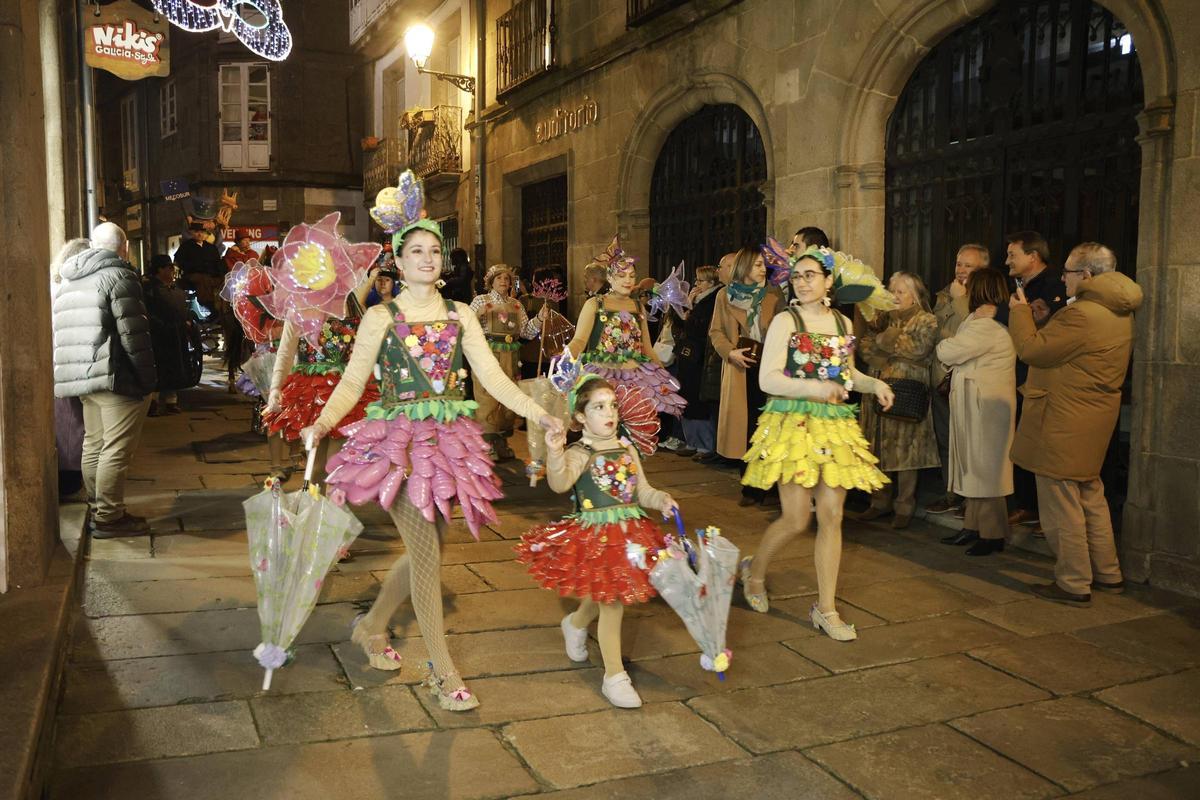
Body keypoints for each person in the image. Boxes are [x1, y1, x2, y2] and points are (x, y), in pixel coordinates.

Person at [301, 171, 563, 710]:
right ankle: (442, 671)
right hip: (397, 447)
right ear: (398, 262)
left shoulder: (461, 314)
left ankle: (371, 626)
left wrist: (542, 414)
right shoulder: (381, 317)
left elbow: (494, 379)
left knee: (431, 546)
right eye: (416, 251)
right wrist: (321, 424)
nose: (427, 258)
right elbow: (352, 383)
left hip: (446, 445)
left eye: (435, 250)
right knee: (426, 556)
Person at [739, 246, 894, 640]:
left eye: (810, 275)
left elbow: (846, 374)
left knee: (832, 515)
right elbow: (768, 379)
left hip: (832, 427)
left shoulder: (842, 322)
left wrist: (874, 385)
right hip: (792, 425)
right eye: (797, 275)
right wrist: (816, 388)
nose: (802, 282)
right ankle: (754, 572)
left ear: (829, 282)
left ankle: (826, 608)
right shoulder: (785, 321)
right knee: (796, 518)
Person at [517, 374, 678, 708]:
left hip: (629, 533)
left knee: (607, 592)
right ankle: (614, 676)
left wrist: (661, 499)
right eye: (599, 407)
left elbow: (641, 490)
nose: (610, 413)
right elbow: (560, 483)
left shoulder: (626, 448)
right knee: (613, 600)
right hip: (597, 537)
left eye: (613, 405)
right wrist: (554, 451)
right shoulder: (581, 451)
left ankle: (575, 623)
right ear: (580, 416)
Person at [1008, 243, 1141, 606]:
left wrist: (1020, 314)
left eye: (1067, 272)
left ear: (1087, 274)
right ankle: (1107, 572)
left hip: (1064, 418)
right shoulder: (1116, 311)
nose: (1062, 278)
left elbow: (1032, 351)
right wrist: (1044, 321)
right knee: (1090, 494)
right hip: (1091, 417)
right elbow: (1069, 352)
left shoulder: (1082, 314)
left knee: (1061, 502)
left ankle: (1073, 581)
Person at [52, 222, 157, 537]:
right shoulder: (120, 275)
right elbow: (134, 334)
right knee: (116, 448)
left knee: (94, 443)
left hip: (81, 377)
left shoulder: (71, 278)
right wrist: (147, 379)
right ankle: (110, 517)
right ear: (124, 248)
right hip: (114, 376)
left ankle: (99, 508)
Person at [263, 273, 377, 484]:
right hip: (312, 393)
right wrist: (275, 388)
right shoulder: (298, 308)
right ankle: (315, 502)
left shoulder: (353, 304)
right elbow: (285, 353)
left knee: (337, 462)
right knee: (316, 466)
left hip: (348, 390)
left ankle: (331, 503)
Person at [935, 268, 1015, 555]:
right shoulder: (979, 320)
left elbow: (947, 351)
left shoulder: (987, 326)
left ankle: (992, 534)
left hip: (984, 407)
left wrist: (944, 344)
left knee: (986, 470)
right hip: (978, 405)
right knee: (974, 466)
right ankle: (973, 526)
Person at [856, 271, 940, 528]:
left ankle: (904, 506)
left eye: (901, 292)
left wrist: (885, 342)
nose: (894, 296)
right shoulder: (882, 317)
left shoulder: (926, 320)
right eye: (892, 291)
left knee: (906, 449)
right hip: (877, 391)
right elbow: (865, 347)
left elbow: (918, 349)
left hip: (906, 392)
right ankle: (878, 502)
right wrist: (888, 343)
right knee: (876, 445)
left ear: (914, 296)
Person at [567, 237, 685, 416]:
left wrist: (662, 375)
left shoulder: (638, 307)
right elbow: (580, 340)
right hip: (602, 376)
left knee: (636, 424)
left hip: (636, 379)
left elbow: (647, 348)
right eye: (621, 276)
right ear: (609, 277)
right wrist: (565, 356)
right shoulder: (595, 304)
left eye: (632, 276)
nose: (627, 280)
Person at [1000, 231, 1067, 528]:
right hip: (1016, 374)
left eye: (1012, 255)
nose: (1007, 261)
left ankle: (1045, 512)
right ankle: (1026, 505)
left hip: (1041, 377)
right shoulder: (1016, 286)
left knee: (1042, 446)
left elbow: (1053, 333)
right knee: (1022, 441)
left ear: (1033, 256)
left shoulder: (1054, 286)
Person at [709, 248, 785, 504]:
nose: (763, 269)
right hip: (740, 367)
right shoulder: (724, 295)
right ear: (743, 267)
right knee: (746, 427)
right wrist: (730, 352)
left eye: (763, 264)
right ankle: (751, 487)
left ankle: (771, 486)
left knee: (769, 424)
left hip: (769, 366)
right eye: (757, 265)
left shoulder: (774, 294)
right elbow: (716, 332)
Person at [927, 243, 990, 516]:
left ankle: (971, 499)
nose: (961, 270)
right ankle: (951, 492)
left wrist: (960, 300)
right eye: (959, 264)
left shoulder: (984, 298)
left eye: (969, 265)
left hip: (966, 381)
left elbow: (971, 333)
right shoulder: (945, 294)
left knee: (969, 443)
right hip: (941, 379)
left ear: (982, 270)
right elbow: (934, 330)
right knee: (946, 441)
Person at [470, 264, 545, 458]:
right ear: (491, 282)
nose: (503, 281)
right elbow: (466, 328)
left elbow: (526, 332)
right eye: (499, 278)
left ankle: (501, 441)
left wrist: (539, 319)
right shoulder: (480, 301)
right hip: (488, 355)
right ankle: (488, 444)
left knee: (508, 397)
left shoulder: (516, 304)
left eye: (506, 278)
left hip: (511, 357)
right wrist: (477, 315)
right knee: (487, 397)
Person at [51, 238, 93, 498]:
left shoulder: (55, 288)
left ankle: (70, 475)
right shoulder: (68, 292)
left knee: (69, 424)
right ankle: (70, 477)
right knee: (72, 424)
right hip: (67, 367)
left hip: (61, 367)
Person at [675, 265, 722, 460]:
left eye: (700, 280)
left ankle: (705, 445)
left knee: (698, 401)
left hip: (700, 356)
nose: (696, 284)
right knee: (687, 397)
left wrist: (691, 311)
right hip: (689, 355)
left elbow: (701, 327)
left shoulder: (713, 299)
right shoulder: (698, 299)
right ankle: (692, 440)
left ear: (711, 282)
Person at [143, 254, 191, 415]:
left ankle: (172, 400)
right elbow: (148, 312)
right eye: (169, 268)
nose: (172, 271)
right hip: (159, 335)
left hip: (177, 333)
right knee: (159, 368)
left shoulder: (175, 289)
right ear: (159, 270)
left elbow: (183, 309)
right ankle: (153, 401)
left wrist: (188, 321)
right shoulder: (150, 290)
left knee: (175, 366)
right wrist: (161, 325)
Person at [174, 223, 223, 309]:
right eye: (197, 232)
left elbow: (218, 263)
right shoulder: (185, 247)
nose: (200, 234)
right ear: (192, 232)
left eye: (202, 232)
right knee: (203, 280)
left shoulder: (211, 247)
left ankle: (221, 307)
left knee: (223, 280)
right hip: (193, 274)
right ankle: (208, 305)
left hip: (211, 275)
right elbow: (179, 262)